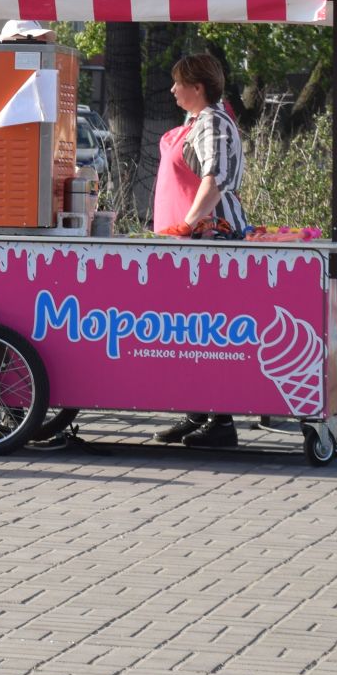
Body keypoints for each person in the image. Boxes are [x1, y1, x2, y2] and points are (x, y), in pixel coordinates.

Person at [152, 52, 250, 449]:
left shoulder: (214, 123)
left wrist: (189, 225)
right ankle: (197, 412)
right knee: (188, 333)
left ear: (198, 87)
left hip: (209, 244)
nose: (173, 89)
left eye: (179, 83)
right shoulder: (195, 123)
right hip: (186, 247)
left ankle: (221, 420)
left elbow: (216, 180)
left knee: (207, 332)